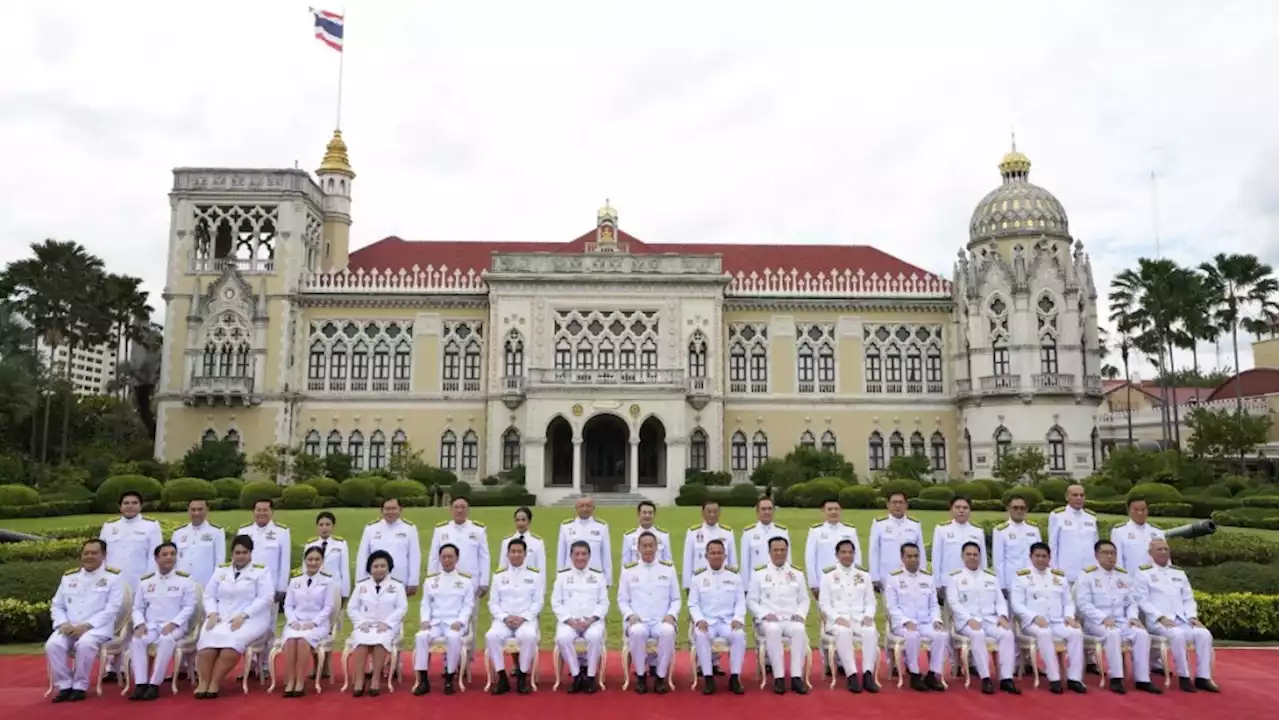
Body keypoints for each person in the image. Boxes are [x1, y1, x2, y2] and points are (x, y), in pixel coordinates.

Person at [1074, 540, 1161, 694]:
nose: (1110, 556)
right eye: (1105, 553)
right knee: (1112, 633)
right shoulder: (1087, 575)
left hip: (1121, 621)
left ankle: (1142, 679)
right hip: (1096, 622)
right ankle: (1116, 678)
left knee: (1141, 634)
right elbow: (1083, 604)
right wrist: (1102, 618)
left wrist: (1133, 618)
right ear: (1096, 555)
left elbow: (1131, 602)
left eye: (1113, 553)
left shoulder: (1123, 575)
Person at [193, 534, 275, 699]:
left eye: (244, 552)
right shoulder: (221, 570)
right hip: (221, 616)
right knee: (207, 640)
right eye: (237, 552)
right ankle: (204, 682)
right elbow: (209, 595)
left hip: (252, 618)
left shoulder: (261, 571)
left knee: (232, 642)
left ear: (250, 553)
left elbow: (265, 598)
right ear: (232, 553)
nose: (240, 556)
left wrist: (244, 615)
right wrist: (212, 613)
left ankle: (215, 682)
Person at [1135, 538, 1219, 693]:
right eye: (1159, 549)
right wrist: (1160, 617)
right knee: (1178, 635)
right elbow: (1142, 600)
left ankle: (1202, 677)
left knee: (1204, 634)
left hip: (1182, 619)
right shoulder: (1144, 573)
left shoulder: (1178, 572)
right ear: (1150, 553)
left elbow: (1188, 598)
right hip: (1160, 621)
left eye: (1165, 549)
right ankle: (1184, 677)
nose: (1163, 552)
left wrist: (1192, 617)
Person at [46, 539, 125, 704]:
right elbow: (57, 605)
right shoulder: (69, 577)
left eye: (94, 553)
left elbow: (112, 608)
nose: (89, 556)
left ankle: (80, 685)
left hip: (97, 628)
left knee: (85, 644)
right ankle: (65, 685)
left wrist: (87, 626)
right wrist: (63, 623)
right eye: (86, 553)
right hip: (69, 626)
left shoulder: (113, 577)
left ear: (103, 555)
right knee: (53, 645)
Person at [1010, 542, 1086, 694]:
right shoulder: (1021, 577)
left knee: (1076, 633)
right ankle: (1054, 678)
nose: (1040, 559)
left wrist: (1069, 616)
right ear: (1031, 557)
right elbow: (1016, 604)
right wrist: (1034, 617)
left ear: (1049, 558)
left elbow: (1068, 601)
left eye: (1044, 556)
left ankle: (1074, 678)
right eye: (1037, 556)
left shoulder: (1058, 577)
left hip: (1058, 621)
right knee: (1045, 633)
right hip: (1033, 623)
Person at [945, 541, 1019, 695]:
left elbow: (1000, 600)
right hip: (966, 622)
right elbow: (953, 602)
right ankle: (985, 677)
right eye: (969, 554)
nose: (972, 557)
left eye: (975, 554)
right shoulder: (955, 578)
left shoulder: (990, 577)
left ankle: (1006, 678)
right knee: (977, 635)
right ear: (962, 556)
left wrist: (1003, 616)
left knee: (1007, 634)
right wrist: (967, 619)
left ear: (980, 556)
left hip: (989, 619)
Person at [128, 543, 197, 701]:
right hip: (151, 625)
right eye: (164, 554)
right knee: (137, 640)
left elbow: (189, 607)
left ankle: (155, 684)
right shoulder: (146, 582)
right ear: (156, 558)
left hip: (175, 626)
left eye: (172, 554)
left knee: (167, 639)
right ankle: (141, 683)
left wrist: (174, 623)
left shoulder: (185, 581)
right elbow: (137, 607)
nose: (169, 557)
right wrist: (139, 624)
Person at [618, 532, 681, 694]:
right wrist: (630, 614)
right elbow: (622, 600)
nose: (648, 549)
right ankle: (640, 676)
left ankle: (660, 677)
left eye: (650, 545)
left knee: (668, 631)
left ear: (657, 547)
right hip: (639, 620)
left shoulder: (668, 569)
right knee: (637, 632)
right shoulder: (628, 570)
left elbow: (676, 599)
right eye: (644, 546)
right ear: (638, 548)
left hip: (661, 620)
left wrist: (672, 615)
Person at [748, 536, 810, 695]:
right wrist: (764, 614)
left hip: (790, 619)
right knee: (774, 630)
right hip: (768, 621)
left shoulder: (797, 574)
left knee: (799, 630)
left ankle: (796, 677)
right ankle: (779, 678)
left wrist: (800, 614)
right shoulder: (759, 573)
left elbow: (804, 599)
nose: (779, 553)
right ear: (769, 552)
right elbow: (752, 601)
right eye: (776, 550)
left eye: (783, 550)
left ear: (787, 551)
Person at [883, 542, 948, 692]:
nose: (913, 559)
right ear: (902, 558)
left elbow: (933, 604)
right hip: (902, 623)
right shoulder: (894, 578)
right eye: (909, 556)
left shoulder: (927, 577)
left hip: (925, 621)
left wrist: (936, 620)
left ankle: (932, 673)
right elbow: (892, 606)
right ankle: (915, 673)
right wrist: (906, 622)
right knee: (912, 635)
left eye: (916, 556)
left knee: (940, 635)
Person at [413, 544, 476, 696]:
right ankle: (423, 680)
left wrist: (461, 622)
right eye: (444, 557)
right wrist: (425, 620)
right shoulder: (431, 580)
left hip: (453, 622)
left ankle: (449, 677)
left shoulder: (465, 581)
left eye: (450, 557)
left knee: (453, 638)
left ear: (457, 559)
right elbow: (425, 603)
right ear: (440, 558)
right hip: (435, 622)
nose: (447, 560)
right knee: (421, 637)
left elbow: (468, 605)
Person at [819, 539, 880, 693]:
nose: (847, 555)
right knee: (844, 632)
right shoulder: (828, 575)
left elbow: (871, 602)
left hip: (859, 618)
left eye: (850, 552)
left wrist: (868, 616)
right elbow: (824, 603)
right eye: (843, 552)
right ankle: (851, 674)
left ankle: (868, 674)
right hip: (838, 619)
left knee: (870, 631)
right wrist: (836, 618)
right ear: (837, 555)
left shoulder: (863, 574)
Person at [485, 537, 543, 695]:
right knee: (491, 636)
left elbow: (538, 602)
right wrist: (505, 617)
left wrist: (523, 617)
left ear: (525, 554)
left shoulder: (535, 575)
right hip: (504, 620)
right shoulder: (498, 575)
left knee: (529, 636)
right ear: (507, 554)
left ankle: (522, 676)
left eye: (519, 552)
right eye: (513, 551)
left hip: (525, 620)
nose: (516, 555)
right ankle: (502, 677)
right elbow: (493, 603)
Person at [346, 550, 408, 697]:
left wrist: (387, 623)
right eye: (375, 566)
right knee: (360, 640)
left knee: (381, 639)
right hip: (365, 624)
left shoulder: (397, 586)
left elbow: (402, 608)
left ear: (389, 567)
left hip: (386, 626)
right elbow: (352, 607)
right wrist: (361, 622)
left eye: (383, 566)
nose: (379, 569)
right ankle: (360, 679)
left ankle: (375, 679)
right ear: (370, 568)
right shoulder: (361, 585)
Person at [689, 539, 746, 695]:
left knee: (739, 635)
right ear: (706, 556)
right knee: (701, 635)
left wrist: (738, 619)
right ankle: (708, 678)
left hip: (728, 622)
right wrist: (699, 620)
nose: (716, 556)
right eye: (712, 553)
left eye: (719, 553)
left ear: (725, 555)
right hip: (707, 622)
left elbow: (741, 601)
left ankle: (735, 677)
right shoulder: (698, 577)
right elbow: (693, 604)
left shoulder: (734, 575)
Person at [280, 546, 337, 697]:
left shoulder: (328, 581)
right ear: (305, 560)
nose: (313, 562)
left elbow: (328, 606)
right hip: (296, 622)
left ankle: (300, 681)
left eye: (317, 559)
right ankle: (290, 680)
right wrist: (293, 621)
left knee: (303, 640)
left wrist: (314, 622)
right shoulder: (295, 581)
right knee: (292, 640)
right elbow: (289, 605)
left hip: (317, 624)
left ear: (322, 561)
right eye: (310, 559)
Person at [552, 540, 608, 694]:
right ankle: (576, 675)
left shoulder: (598, 576)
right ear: (571, 556)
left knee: (595, 637)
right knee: (563, 638)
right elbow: (556, 602)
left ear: (589, 556)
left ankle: (590, 677)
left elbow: (604, 603)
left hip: (592, 621)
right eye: (577, 554)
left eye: (584, 554)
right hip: (569, 622)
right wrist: (570, 620)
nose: (580, 557)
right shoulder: (562, 576)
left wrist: (591, 620)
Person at [100, 491, 164, 592]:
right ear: (120, 507)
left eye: (134, 503)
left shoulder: (151, 526)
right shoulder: (109, 526)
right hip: (112, 580)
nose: (130, 506)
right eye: (126, 503)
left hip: (139, 581)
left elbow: (155, 555)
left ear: (140, 506)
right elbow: (101, 555)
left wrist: (148, 579)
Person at [357, 497, 421, 597]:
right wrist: (361, 580)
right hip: (374, 579)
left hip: (399, 578)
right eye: (387, 509)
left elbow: (414, 556)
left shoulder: (409, 528)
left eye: (394, 508)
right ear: (381, 510)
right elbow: (363, 555)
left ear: (400, 509)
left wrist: (413, 581)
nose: (390, 512)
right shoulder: (371, 528)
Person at [429, 496, 490, 597]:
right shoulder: (441, 529)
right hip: (445, 580)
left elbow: (484, 557)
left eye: (463, 507)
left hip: (471, 580)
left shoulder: (478, 530)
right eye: (456, 507)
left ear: (468, 510)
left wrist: (484, 581)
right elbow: (434, 557)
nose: (459, 510)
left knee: (471, 612)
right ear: (451, 510)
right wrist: (431, 579)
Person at [236, 499, 291, 602]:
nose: (262, 513)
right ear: (253, 512)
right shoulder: (243, 531)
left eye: (265, 510)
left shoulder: (282, 531)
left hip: (270, 584)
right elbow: (237, 559)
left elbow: (285, 562)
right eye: (259, 510)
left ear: (272, 512)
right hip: (247, 584)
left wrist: (282, 588)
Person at [803, 499, 860, 598]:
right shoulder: (815, 531)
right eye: (829, 509)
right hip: (824, 580)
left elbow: (857, 556)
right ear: (823, 511)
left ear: (841, 510)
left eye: (836, 509)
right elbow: (810, 558)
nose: (833, 512)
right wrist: (813, 584)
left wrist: (857, 579)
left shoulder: (850, 530)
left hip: (847, 580)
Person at [930, 497, 986, 596]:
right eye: (957, 507)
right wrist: (937, 583)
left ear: (970, 511)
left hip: (972, 582)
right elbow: (936, 558)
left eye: (965, 508)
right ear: (951, 510)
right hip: (949, 582)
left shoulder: (977, 531)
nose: (961, 511)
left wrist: (983, 581)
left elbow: (983, 559)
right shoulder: (942, 529)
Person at [867, 492, 922, 591]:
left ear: (906, 505)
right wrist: (875, 577)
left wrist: (921, 573)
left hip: (910, 573)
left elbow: (920, 551)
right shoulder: (879, 523)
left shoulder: (914, 524)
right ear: (888, 504)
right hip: (887, 574)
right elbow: (874, 551)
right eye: (894, 502)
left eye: (901, 502)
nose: (897, 505)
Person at [557, 496, 612, 585]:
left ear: (593, 508)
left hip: (594, 575)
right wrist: (559, 576)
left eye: (588, 506)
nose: (585, 509)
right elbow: (561, 555)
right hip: (571, 576)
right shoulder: (566, 526)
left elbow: (606, 555)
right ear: (576, 508)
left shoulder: (602, 526)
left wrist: (608, 580)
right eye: (581, 506)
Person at [683, 500, 736, 592]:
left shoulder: (727, 532)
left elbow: (732, 559)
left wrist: (734, 580)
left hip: (723, 580)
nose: (712, 514)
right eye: (709, 511)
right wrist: (688, 585)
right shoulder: (693, 532)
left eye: (715, 512)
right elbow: (688, 560)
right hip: (700, 581)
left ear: (719, 513)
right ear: (702, 513)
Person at [739, 496, 790, 591]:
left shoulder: (782, 531)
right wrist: (745, 588)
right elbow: (745, 563)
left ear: (774, 511)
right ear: (757, 512)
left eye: (770, 509)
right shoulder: (748, 533)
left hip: (778, 582)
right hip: (757, 583)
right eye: (763, 509)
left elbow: (787, 559)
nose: (767, 512)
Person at [992, 495, 1040, 596]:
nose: (1019, 511)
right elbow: (998, 561)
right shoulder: (1001, 530)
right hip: (1011, 580)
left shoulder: (1034, 529)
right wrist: (1001, 585)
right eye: (1015, 508)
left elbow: (1040, 555)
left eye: (1022, 508)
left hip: (1032, 579)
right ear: (1008, 509)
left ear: (1026, 509)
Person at [1049, 484, 1097, 582]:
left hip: (1089, 571)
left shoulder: (1091, 517)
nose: (1079, 498)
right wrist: (1054, 570)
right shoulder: (1057, 515)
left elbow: (1096, 544)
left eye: (1082, 495)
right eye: (1075, 495)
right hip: (1066, 571)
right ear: (1067, 497)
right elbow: (1053, 545)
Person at [172, 499, 226, 586]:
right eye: (193, 510)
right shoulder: (178, 533)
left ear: (207, 510)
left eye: (200, 509)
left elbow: (219, 561)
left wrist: (216, 583)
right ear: (188, 511)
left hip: (205, 582)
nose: (196, 513)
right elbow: (173, 559)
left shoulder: (216, 532)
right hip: (181, 582)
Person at [303, 511, 351, 600]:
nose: (324, 528)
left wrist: (345, 593)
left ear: (333, 526)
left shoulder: (340, 544)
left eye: (328, 524)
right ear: (317, 526)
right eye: (321, 525)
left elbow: (344, 569)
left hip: (334, 588)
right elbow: (305, 568)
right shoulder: (310, 544)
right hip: (315, 588)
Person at [1111, 498, 1165, 574]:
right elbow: (1117, 560)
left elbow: (1165, 557)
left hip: (1154, 579)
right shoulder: (1119, 531)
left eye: (1143, 510)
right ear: (1129, 511)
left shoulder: (1157, 531)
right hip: (1131, 578)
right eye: (1136, 510)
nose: (1140, 513)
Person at [498, 506, 547, 574]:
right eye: (517, 520)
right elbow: (502, 566)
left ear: (529, 521)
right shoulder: (506, 542)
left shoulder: (537, 542)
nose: (520, 523)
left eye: (523, 520)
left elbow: (541, 569)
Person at [622, 501, 672, 566]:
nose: (647, 515)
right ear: (638, 514)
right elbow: (625, 563)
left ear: (654, 515)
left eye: (650, 513)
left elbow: (668, 561)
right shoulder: (629, 537)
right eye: (644, 512)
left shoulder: (663, 536)